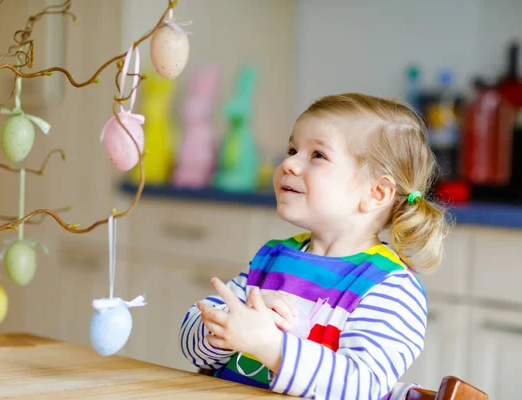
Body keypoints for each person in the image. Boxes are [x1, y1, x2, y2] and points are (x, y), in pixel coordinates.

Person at [179, 93, 450, 399]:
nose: (289, 163)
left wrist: (269, 346)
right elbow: (193, 347)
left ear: (376, 192)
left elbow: (362, 387)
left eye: (317, 155)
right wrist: (225, 329)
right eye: (292, 149)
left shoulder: (390, 287)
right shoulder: (271, 258)